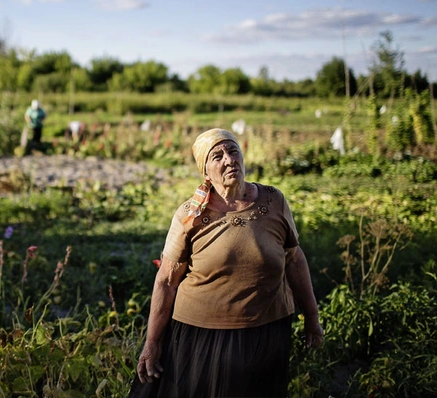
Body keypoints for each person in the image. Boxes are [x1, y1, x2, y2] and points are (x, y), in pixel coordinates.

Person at [129, 128, 323, 398]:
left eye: (233, 151)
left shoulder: (274, 200)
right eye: (217, 156)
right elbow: (166, 280)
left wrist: (312, 318)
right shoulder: (190, 214)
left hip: (268, 330)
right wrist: (152, 342)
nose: (229, 160)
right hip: (203, 336)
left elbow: (294, 259)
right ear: (206, 171)